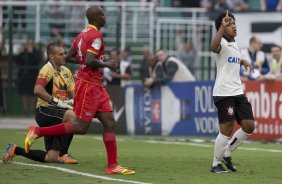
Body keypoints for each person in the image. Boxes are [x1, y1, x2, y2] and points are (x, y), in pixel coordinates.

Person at [24, 6, 135, 175]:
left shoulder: (82, 35)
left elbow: (69, 57)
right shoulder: (96, 35)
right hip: (88, 84)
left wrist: (85, 60)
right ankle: (38, 131)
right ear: (97, 17)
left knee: (110, 122)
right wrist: (107, 64)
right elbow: (90, 61)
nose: (105, 18)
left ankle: (112, 165)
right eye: (103, 15)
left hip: (96, 84)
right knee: (80, 127)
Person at [2, 43, 77, 164]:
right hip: (44, 110)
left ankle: (15, 149)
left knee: (51, 157)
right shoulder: (46, 69)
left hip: (59, 113)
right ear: (51, 57)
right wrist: (57, 102)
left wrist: (74, 101)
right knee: (73, 116)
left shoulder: (66, 71)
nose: (65, 56)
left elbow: (74, 93)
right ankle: (63, 154)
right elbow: (37, 90)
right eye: (61, 54)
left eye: (64, 53)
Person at [210, 11, 255, 173]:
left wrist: (243, 61)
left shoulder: (235, 45)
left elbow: (232, 58)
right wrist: (222, 27)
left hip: (237, 91)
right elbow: (213, 47)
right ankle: (216, 163)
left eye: (234, 23)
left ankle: (227, 153)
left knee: (249, 125)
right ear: (221, 27)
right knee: (227, 128)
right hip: (224, 92)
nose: (233, 26)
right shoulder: (220, 42)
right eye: (229, 23)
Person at [16, 38, 40, 116]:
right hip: (23, 76)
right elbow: (18, 61)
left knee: (33, 94)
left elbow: (37, 61)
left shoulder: (36, 52)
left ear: (33, 44)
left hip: (33, 75)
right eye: (28, 43)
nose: (29, 45)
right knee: (24, 94)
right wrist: (20, 53)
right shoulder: (24, 52)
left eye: (31, 43)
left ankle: (32, 111)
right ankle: (25, 111)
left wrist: (31, 53)